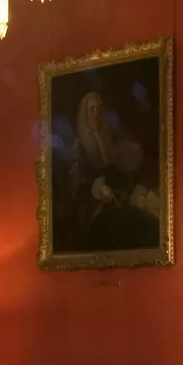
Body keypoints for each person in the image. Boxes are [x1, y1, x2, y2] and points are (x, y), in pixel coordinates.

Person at [62, 87, 160, 252]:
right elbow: (82, 179)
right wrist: (100, 188)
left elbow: (115, 168)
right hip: (91, 201)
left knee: (144, 212)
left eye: (98, 109)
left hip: (114, 190)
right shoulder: (79, 145)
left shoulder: (107, 138)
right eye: (91, 109)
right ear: (85, 113)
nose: (95, 113)